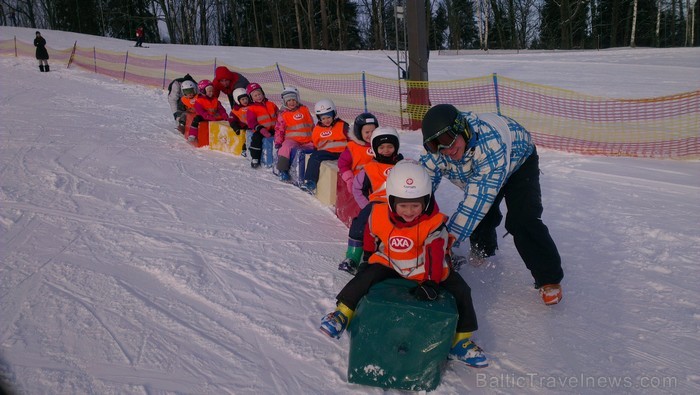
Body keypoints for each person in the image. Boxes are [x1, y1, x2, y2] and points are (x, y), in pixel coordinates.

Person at [320, 160, 488, 368]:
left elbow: (435, 254)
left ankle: (460, 341)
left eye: (415, 205)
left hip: (422, 267)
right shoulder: (379, 214)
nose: (409, 211)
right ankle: (342, 314)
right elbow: (370, 234)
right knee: (364, 278)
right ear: (391, 201)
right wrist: (368, 258)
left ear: (426, 201)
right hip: (390, 261)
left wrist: (430, 282)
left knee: (461, 290)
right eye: (403, 205)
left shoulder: (433, 223)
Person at [419, 104, 564, 305]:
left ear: (463, 129)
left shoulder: (490, 146)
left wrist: (443, 242)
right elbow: (419, 188)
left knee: (523, 220)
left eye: (448, 141)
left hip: (518, 162)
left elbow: (476, 202)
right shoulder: (437, 155)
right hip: (480, 171)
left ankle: (549, 279)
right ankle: (482, 249)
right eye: (437, 145)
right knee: (484, 215)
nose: (447, 150)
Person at [338, 127, 403, 274]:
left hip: (401, 203)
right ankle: (352, 258)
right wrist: (366, 206)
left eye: (390, 146)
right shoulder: (369, 168)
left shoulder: (403, 165)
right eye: (381, 147)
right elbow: (357, 188)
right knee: (360, 223)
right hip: (377, 204)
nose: (386, 150)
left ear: (396, 147)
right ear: (374, 148)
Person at [300, 99, 349, 193]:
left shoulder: (342, 125)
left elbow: (351, 139)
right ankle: (311, 181)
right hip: (327, 153)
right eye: (323, 118)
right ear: (319, 119)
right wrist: (316, 152)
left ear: (334, 114)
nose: (326, 120)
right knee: (314, 157)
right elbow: (315, 143)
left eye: (328, 117)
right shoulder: (317, 129)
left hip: (343, 152)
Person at [274, 87, 315, 181]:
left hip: (307, 140)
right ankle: (282, 170)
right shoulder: (283, 114)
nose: (292, 102)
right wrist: (278, 142)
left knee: (317, 149)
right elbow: (279, 130)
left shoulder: (304, 109)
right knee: (285, 147)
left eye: (293, 100)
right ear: (285, 102)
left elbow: (311, 124)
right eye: (289, 100)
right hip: (292, 140)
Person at [337, 112, 378, 191]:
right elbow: (343, 164)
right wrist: (349, 179)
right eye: (367, 132)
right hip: (359, 183)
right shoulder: (353, 147)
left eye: (373, 131)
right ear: (359, 132)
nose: (370, 134)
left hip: (377, 180)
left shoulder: (380, 145)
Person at [245, 83, 279, 168]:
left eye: (259, 94)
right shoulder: (251, 109)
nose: (258, 97)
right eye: (255, 95)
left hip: (274, 128)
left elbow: (278, 114)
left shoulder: (271, 104)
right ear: (251, 98)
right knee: (256, 138)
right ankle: (255, 158)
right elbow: (251, 122)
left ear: (263, 93)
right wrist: (260, 129)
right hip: (260, 130)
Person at [188, 79, 228, 143]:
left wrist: (224, 114)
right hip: (204, 117)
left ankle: (223, 136)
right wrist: (207, 116)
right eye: (209, 91)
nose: (211, 93)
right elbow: (201, 111)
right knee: (196, 119)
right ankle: (192, 135)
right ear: (203, 91)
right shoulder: (199, 101)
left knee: (225, 120)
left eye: (212, 91)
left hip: (213, 116)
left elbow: (220, 108)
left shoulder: (215, 99)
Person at [229, 87, 251, 156]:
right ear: (237, 100)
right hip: (244, 127)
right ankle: (244, 149)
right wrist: (236, 128)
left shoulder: (252, 106)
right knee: (247, 136)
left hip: (253, 125)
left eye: (246, 99)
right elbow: (231, 120)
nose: (245, 101)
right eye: (243, 99)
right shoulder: (236, 110)